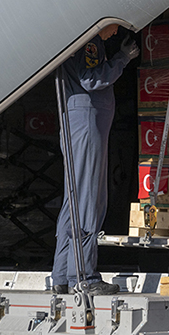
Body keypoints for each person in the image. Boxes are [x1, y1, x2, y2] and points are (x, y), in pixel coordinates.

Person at [50, 24, 139, 295]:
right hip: (88, 124)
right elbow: (91, 79)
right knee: (90, 200)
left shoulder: (73, 39)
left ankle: (63, 274)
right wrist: (123, 58)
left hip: (79, 123)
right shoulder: (89, 44)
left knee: (74, 199)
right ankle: (85, 276)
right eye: (114, 26)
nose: (114, 32)